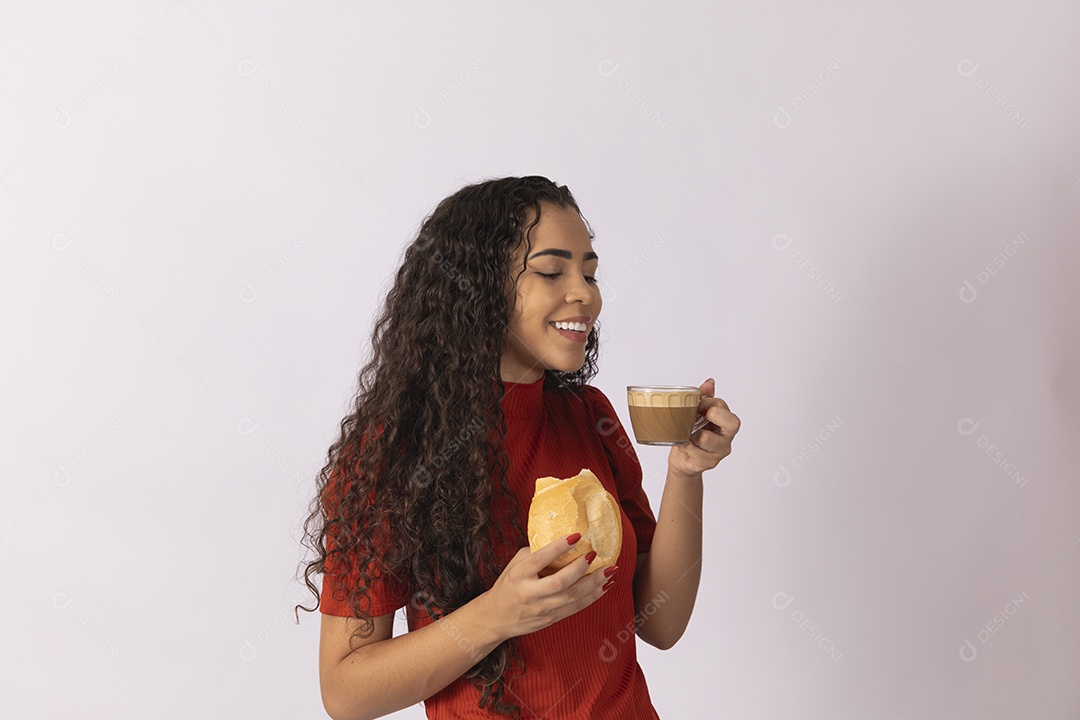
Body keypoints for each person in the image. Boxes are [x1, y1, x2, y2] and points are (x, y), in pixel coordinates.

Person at [296, 175, 740, 719]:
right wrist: (497, 616)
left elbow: (661, 623)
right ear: (476, 289)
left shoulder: (590, 416)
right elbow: (346, 692)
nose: (585, 293)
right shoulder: (393, 454)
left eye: (590, 273)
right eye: (552, 271)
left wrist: (686, 473)